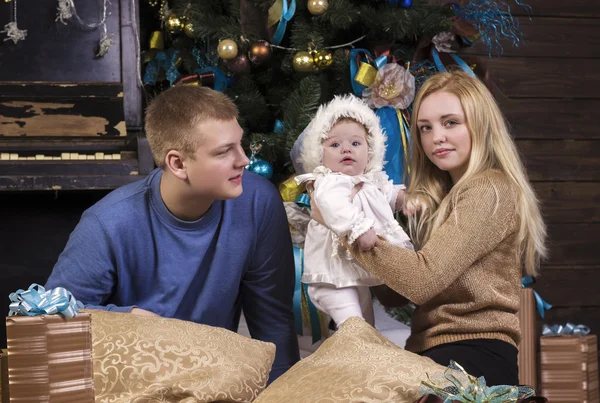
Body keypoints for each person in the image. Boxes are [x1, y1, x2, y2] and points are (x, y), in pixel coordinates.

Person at [45, 85, 300, 381]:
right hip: (128, 382)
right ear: (177, 164)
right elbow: (49, 320)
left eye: (240, 144)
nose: (243, 160)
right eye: (223, 152)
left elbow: (273, 324)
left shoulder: (258, 202)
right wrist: (129, 320)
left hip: (212, 381)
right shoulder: (107, 223)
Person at [313, 70, 547, 386]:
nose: (436, 136)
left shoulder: (488, 189)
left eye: (450, 122)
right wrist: (356, 216)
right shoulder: (439, 199)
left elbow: (422, 281)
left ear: (480, 124)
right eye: (425, 128)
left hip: (473, 355)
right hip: (431, 351)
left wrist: (346, 228)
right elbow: (398, 294)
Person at [292, 95, 414, 328]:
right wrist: (358, 228)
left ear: (370, 152)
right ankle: (351, 356)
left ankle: (360, 359)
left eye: (356, 144)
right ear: (320, 153)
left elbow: (388, 194)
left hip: (354, 274)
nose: (346, 149)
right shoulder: (329, 182)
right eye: (335, 145)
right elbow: (335, 208)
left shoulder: (370, 180)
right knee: (354, 326)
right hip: (332, 275)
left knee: (366, 326)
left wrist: (405, 200)